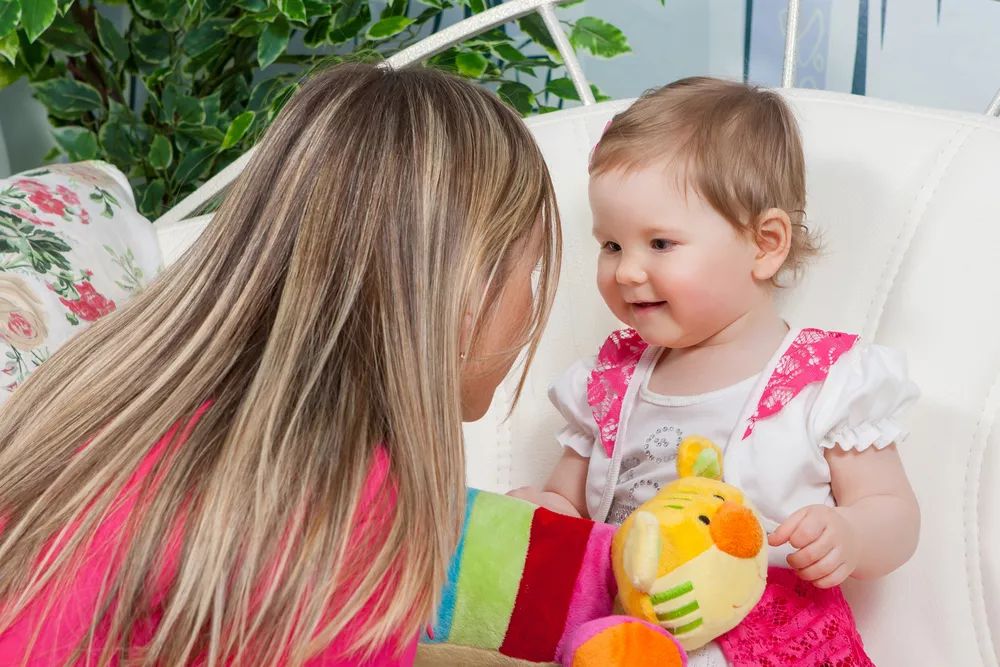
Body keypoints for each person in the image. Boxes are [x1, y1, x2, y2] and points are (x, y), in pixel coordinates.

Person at [0, 62, 560, 666]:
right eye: (529, 272)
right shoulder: (340, 508)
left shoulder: (107, 395)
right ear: (463, 291)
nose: (533, 302)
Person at [510, 77, 919, 665]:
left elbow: (892, 510)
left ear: (764, 244)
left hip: (771, 633)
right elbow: (568, 499)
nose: (626, 272)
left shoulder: (824, 380)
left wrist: (851, 534)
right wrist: (543, 511)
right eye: (611, 245)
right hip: (629, 627)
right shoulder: (611, 383)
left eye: (659, 242)